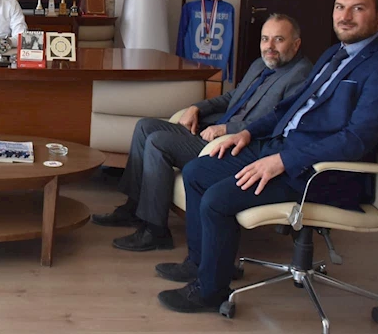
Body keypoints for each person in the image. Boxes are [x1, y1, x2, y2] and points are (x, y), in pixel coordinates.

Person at [155, 0, 378, 314]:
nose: (345, 16)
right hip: (281, 147)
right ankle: (203, 264)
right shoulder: (334, 54)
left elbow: (355, 140)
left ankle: (210, 291)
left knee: (218, 199)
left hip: (321, 172)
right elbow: (287, 110)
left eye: (358, 8)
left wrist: (283, 161)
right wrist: (248, 133)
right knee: (196, 172)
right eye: (340, 7)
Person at [92, 14, 312, 251]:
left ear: (296, 44)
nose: (269, 46)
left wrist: (226, 128)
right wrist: (197, 108)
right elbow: (233, 97)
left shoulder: (300, 74)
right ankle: (133, 208)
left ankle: (155, 231)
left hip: (235, 145)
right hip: (213, 129)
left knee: (158, 142)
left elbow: (278, 121)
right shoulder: (261, 64)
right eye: (265, 39)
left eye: (278, 39)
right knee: (145, 126)